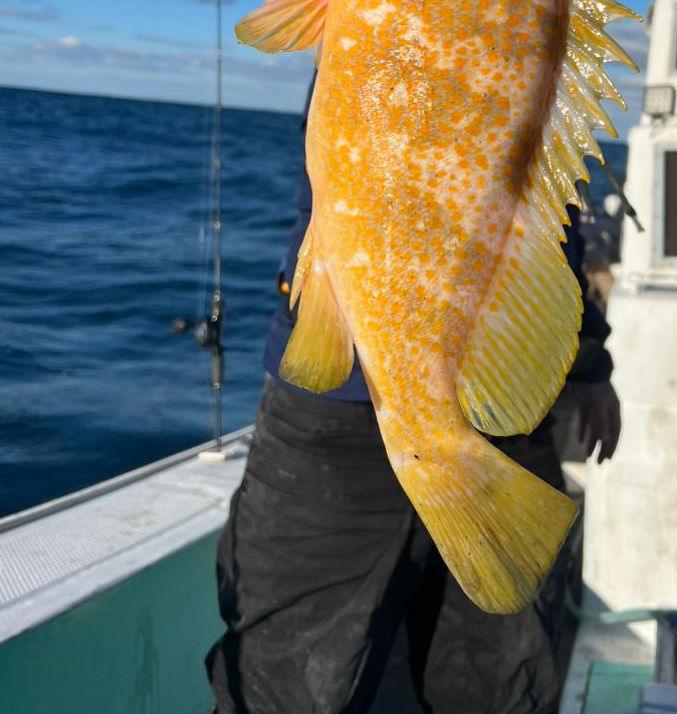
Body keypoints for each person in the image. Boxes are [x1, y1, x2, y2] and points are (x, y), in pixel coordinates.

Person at [206, 80, 621, 714]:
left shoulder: (539, 34)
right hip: (340, 406)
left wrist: (589, 363)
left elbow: (546, 221)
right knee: (287, 678)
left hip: (495, 404)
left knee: (497, 679)